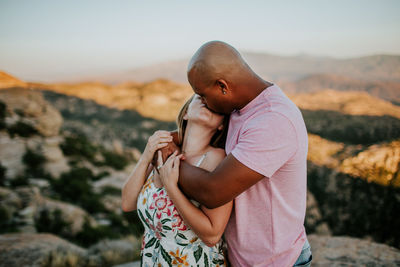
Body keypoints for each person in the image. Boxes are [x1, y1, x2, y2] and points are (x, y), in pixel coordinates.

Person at [162, 41, 312, 266]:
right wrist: (165, 140)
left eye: (202, 95)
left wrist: (167, 160)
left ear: (223, 86)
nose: (201, 102)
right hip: (238, 258)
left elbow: (213, 191)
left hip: (275, 262)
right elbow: (193, 134)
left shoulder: (273, 120)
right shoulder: (238, 107)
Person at [121, 94, 232, 266]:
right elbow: (128, 203)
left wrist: (171, 188)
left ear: (221, 125)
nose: (206, 101)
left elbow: (212, 236)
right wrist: (146, 155)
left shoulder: (217, 160)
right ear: (186, 112)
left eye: (214, 104)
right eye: (200, 97)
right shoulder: (164, 153)